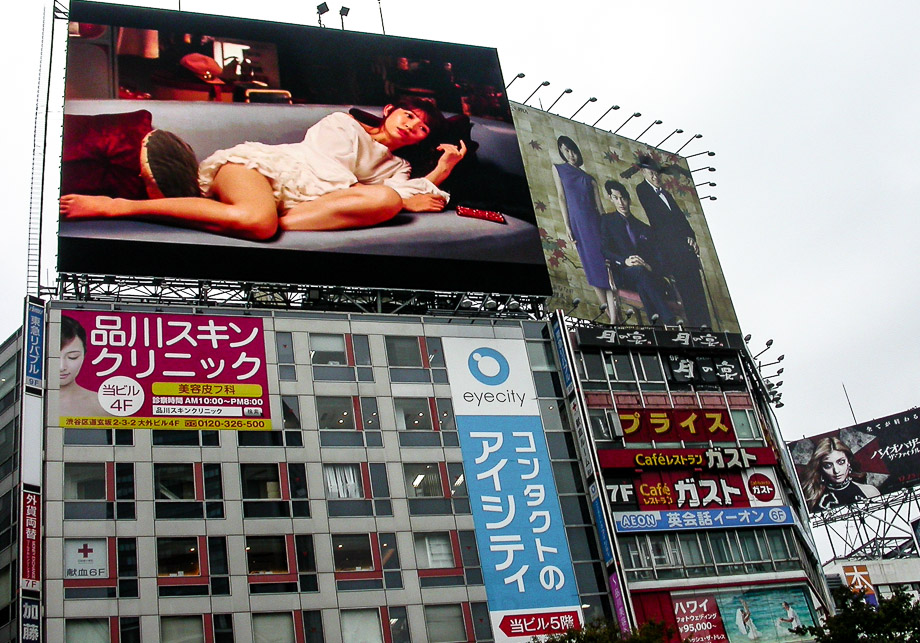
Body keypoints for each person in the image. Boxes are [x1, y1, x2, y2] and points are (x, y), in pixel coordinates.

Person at [59, 97, 467, 239]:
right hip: (261, 169)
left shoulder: (398, 167)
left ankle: (239, 213)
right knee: (259, 221)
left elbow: (406, 192)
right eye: (410, 115)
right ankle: (118, 206)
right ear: (390, 111)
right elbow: (329, 173)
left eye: (423, 127)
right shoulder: (342, 123)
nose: (413, 125)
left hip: (295, 207)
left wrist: (440, 172)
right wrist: (399, 200)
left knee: (384, 196)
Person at [633, 156, 712, 327]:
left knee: (697, 288)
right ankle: (697, 326)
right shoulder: (643, 190)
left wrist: (690, 236)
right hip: (670, 250)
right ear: (644, 172)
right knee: (685, 289)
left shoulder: (666, 194)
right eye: (651, 173)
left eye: (657, 174)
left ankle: (706, 325)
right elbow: (660, 221)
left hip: (684, 248)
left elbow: (681, 219)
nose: (655, 177)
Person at [552, 136, 615, 321]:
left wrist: (607, 233)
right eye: (565, 151)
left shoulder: (590, 179)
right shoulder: (558, 169)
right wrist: (567, 226)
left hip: (595, 226)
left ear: (577, 152)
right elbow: (561, 197)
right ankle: (610, 315)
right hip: (578, 226)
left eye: (572, 150)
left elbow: (601, 209)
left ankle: (614, 319)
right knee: (591, 269)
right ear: (561, 152)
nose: (570, 154)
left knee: (605, 270)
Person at [599, 180, 677, 323]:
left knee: (642, 280)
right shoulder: (607, 221)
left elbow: (658, 256)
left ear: (629, 200)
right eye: (616, 198)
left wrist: (649, 266)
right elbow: (605, 250)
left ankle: (656, 324)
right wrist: (625, 261)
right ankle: (668, 319)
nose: (620, 202)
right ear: (610, 198)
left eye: (623, 198)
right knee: (640, 273)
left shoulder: (644, 228)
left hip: (645, 275)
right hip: (623, 274)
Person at [801, 437, 880, 512]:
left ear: (848, 462)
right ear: (820, 467)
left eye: (841, 462)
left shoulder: (870, 492)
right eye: (828, 465)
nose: (836, 470)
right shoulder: (810, 499)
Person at [59, 315, 107, 418]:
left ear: (84, 355)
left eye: (72, 357)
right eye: (54, 357)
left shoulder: (102, 405)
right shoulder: (31, 403)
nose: (62, 367)